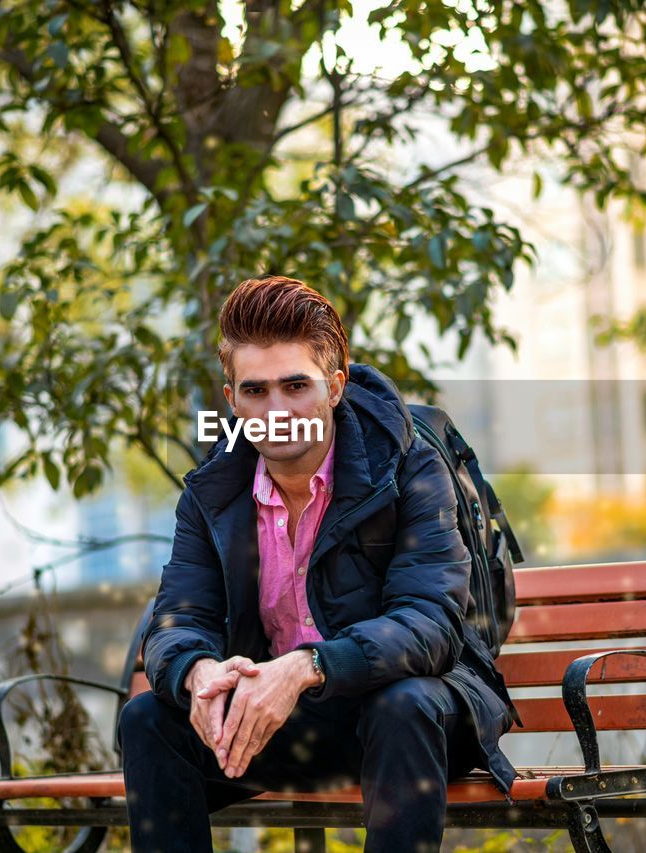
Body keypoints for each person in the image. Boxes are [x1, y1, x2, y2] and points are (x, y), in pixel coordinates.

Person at [118, 275, 517, 852]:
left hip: (414, 721)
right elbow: (177, 621)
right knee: (149, 721)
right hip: (291, 725)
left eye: (295, 385)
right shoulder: (213, 493)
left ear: (334, 386)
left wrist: (307, 665)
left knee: (401, 705)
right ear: (231, 401)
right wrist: (196, 674)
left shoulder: (409, 466)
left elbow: (431, 625)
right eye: (255, 391)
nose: (276, 411)